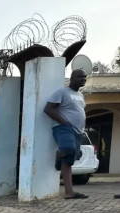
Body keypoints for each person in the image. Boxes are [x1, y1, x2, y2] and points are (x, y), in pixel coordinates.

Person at [44, 69, 89, 199]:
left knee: (71, 159)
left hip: (78, 131)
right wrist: (64, 122)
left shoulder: (80, 95)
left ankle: (69, 192)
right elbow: (48, 109)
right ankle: (59, 155)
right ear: (72, 78)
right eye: (80, 77)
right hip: (63, 128)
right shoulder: (62, 92)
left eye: (85, 77)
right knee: (69, 149)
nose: (83, 79)